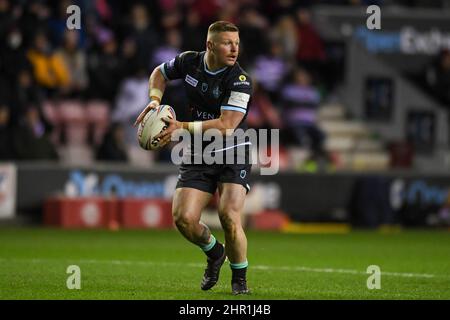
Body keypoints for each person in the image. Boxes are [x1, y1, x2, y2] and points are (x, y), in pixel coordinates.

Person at [134, 21, 252, 295]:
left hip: (233, 149)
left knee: (228, 215)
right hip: (199, 151)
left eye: (236, 43)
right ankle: (214, 252)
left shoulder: (240, 79)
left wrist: (180, 127)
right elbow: (158, 73)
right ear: (210, 45)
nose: (234, 48)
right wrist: (154, 100)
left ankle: (240, 283)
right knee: (183, 219)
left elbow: (226, 126)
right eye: (227, 43)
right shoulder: (190, 62)